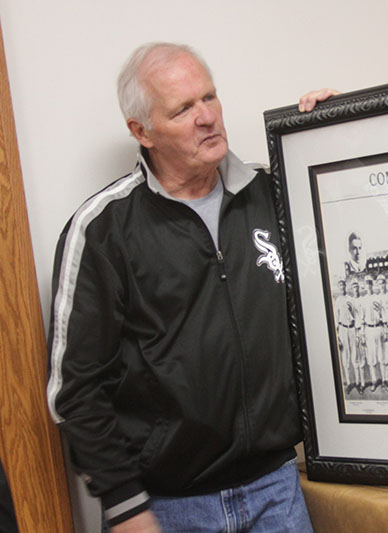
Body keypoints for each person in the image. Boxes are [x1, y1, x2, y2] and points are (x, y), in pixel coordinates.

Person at [46, 42, 336, 532]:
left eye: (209, 97)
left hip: (277, 488)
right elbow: (75, 390)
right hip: (168, 507)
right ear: (142, 131)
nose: (207, 117)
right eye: (183, 108)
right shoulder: (102, 230)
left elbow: (355, 263)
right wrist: (124, 505)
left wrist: (334, 139)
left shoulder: (273, 194)